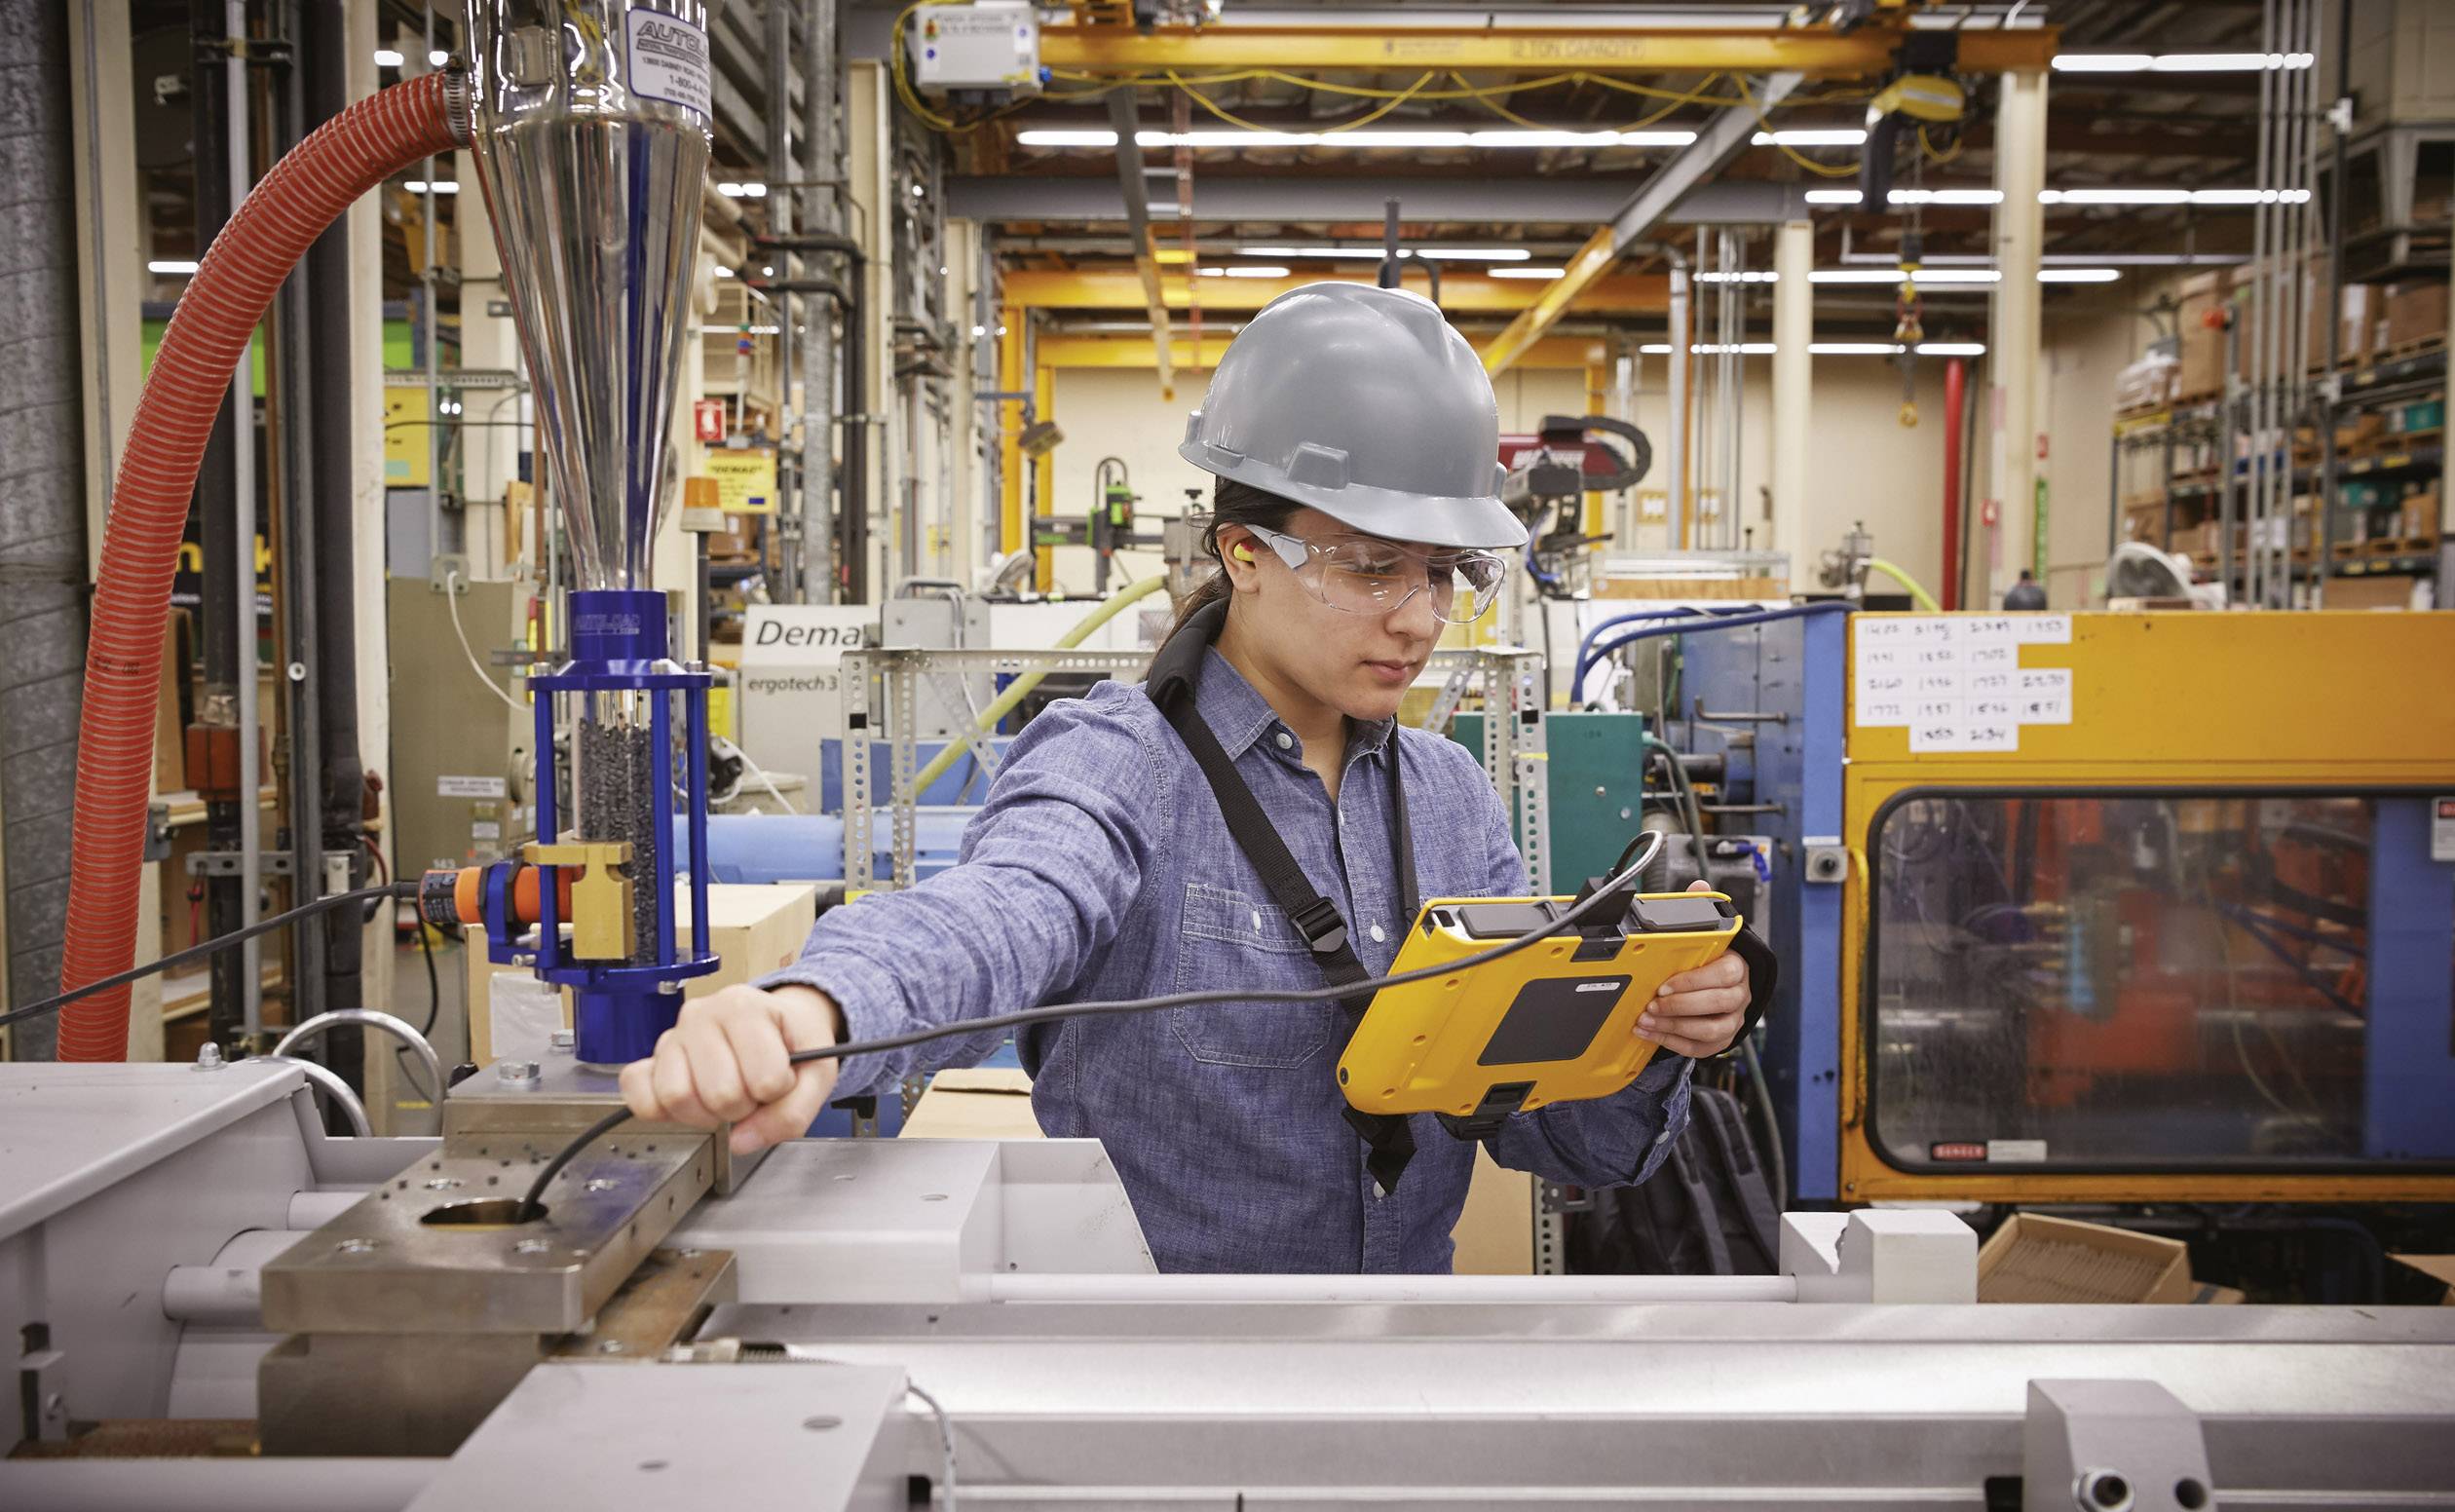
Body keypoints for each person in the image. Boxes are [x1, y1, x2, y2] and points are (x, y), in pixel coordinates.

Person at [621, 283, 1764, 1273]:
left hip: (1401, 1356)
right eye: (1372, 568)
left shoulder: (1451, 796)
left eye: (1443, 573)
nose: (1418, 618)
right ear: (1244, 555)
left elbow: (1568, 1143)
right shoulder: (1121, 759)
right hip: (1154, 1370)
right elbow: (1006, 909)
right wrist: (819, 1007)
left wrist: (1660, 1032)